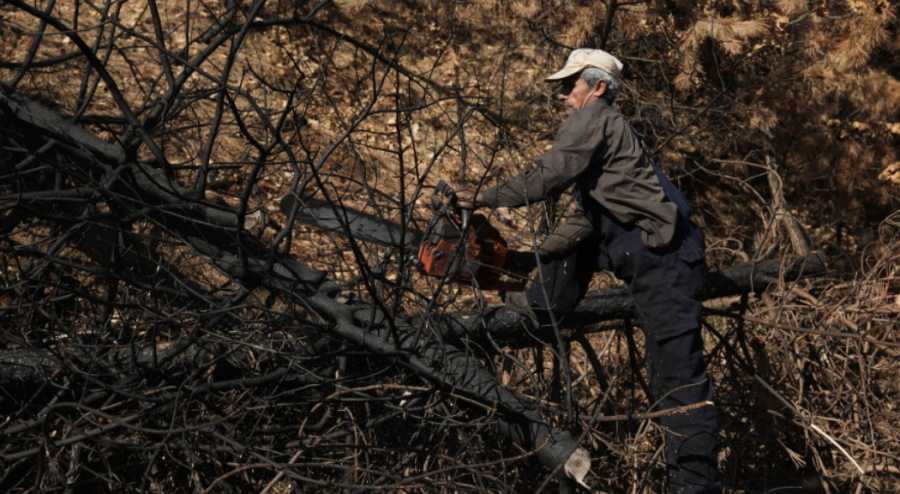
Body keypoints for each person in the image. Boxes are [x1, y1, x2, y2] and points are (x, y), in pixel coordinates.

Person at [455, 48, 722, 494]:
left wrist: (482, 197)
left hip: (666, 258)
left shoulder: (594, 117)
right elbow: (587, 222)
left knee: (679, 381)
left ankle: (695, 487)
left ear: (597, 87)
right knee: (572, 252)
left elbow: (549, 176)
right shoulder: (610, 147)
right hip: (654, 251)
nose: (560, 94)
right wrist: (529, 258)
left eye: (569, 84)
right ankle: (538, 303)